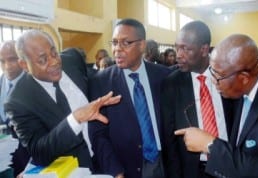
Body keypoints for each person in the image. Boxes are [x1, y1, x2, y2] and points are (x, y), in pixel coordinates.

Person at [175, 34, 258, 177]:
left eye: (218, 75)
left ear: (244, 78)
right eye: (211, 70)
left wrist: (210, 145)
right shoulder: (242, 86)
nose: (213, 81)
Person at [4, 30, 121, 171]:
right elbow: (40, 151)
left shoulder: (72, 59)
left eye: (54, 53)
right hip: (74, 171)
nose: (54, 62)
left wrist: (114, 168)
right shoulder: (18, 101)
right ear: (24, 65)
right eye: (42, 60)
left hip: (107, 159)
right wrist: (75, 119)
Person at [88, 18, 171, 178]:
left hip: (163, 163)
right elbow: (98, 134)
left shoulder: (164, 76)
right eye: (114, 42)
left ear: (142, 45)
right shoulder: (100, 81)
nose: (117, 49)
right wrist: (115, 171)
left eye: (125, 43)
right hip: (126, 167)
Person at [161, 20, 234, 178]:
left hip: (230, 161)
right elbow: (169, 138)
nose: (178, 55)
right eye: (177, 47)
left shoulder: (228, 75)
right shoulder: (171, 84)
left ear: (204, 49)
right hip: (193, 168)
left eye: (185, 49)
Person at [0, 40, 29, 177]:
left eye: (12, 59)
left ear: (22, 60)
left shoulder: (35, 85)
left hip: (29, 162)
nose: (7, 66)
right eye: (2, 61)